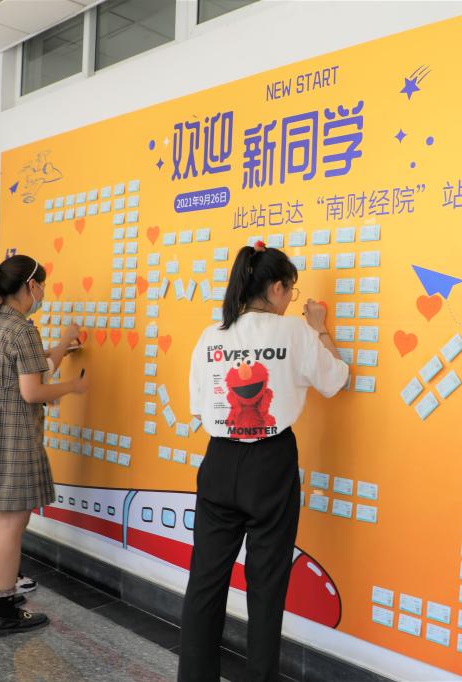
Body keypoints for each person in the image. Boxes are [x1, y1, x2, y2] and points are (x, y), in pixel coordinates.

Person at [179, 241, 348, 681]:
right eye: (291, 290)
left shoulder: (212, 335)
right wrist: (320, 329)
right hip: (271, 464)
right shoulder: (295, 333)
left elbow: (197, 404)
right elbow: (336, 379)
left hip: (219, 460)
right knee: (267, 586)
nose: (291, 299)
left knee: (205, 581)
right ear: (276, 288)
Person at [0, 254, 89, 638]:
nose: (43, 293)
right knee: (12, 524)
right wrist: (73, 386)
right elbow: (32, 391)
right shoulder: (21, 330)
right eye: (41, 285)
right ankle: (4, 611)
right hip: (13, 433)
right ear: (31, 285)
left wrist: (60, 345)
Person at [0, 330, 80, 593]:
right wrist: (71, 381)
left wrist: (55, 350)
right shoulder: (18, 329)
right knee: (6, 519)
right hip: (10, 432)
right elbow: (34, 386)